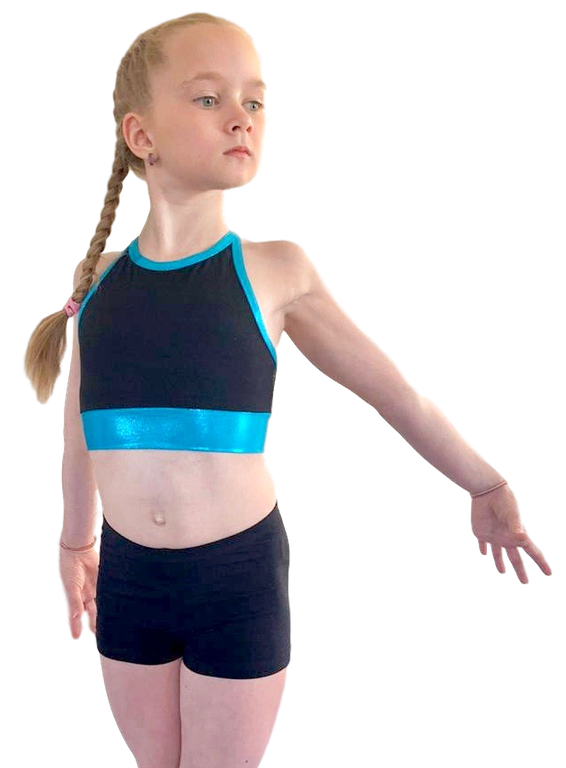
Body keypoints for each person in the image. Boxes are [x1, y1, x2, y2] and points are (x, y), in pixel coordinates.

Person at [21, 11, 552, 768]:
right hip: (131, 575)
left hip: (234, 577)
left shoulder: (276, 269)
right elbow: (80, 420)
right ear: (141, 135)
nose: (242, 117)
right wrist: (76, 541)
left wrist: (486, 484)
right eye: (209, 98)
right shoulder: (99, 281)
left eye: (256, 100)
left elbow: (396, 394)